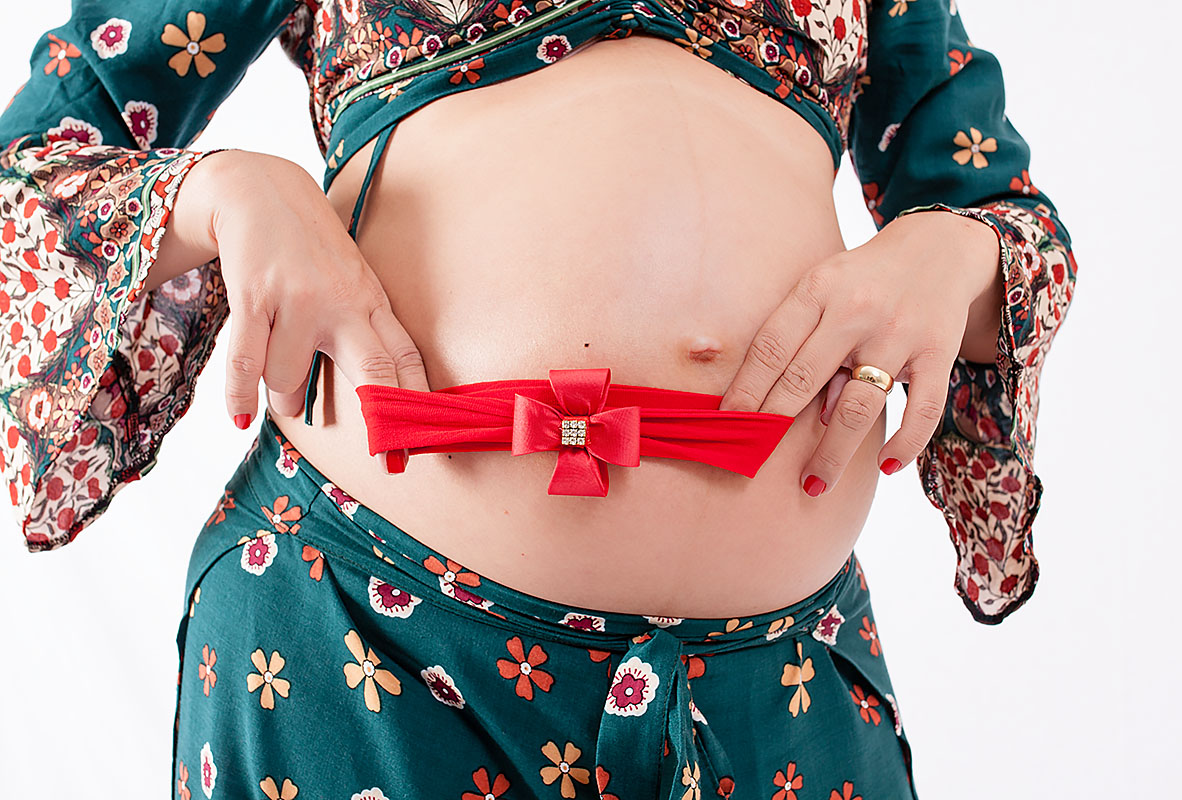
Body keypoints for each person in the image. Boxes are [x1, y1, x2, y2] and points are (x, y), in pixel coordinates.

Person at [0, 0, 1076, 798]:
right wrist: (223, 188)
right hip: (365, 644)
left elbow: (1002, 217)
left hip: (780, 686)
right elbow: (27, 174)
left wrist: (954, 248)